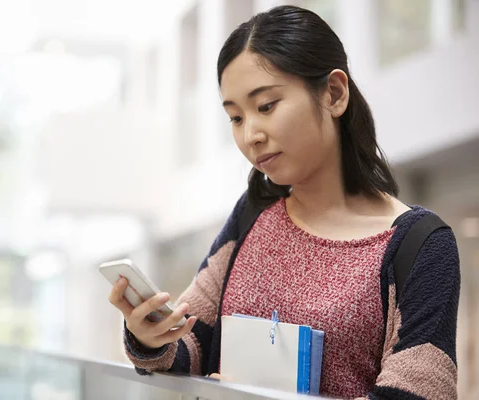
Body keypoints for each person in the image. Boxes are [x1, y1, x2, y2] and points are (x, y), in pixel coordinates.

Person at [108, 5, 460, 399]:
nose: (251, 135)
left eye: (266, 106)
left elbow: (420, 393)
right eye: (236, 118)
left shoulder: (421, 244)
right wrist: (150, 337)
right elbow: (190, 346)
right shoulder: (252, 214)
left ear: (334, 93)